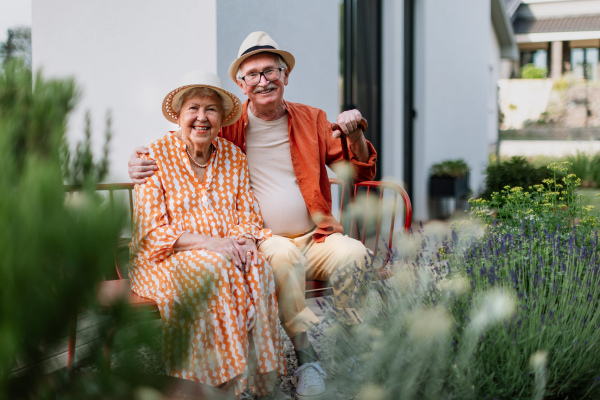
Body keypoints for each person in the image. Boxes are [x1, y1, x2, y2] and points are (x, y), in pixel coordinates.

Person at [129, 31, 377, 400]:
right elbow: (191, 128)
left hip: (317, 236)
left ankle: (357, 350)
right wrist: (138, 161)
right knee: (277, 256)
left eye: (270, 71)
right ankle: (304, 361)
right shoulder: (229, 127)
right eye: (252, 75)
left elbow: (359, 174)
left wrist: (355, 135)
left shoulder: (313, 120)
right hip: (267, 240)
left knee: (355, 254)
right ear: (241, 85)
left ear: (285, 75)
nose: (263, 81)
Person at [129, 70, 285, 398]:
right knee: (214, 269)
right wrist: (212, 244)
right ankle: (212, 385)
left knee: (256, 266)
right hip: (166, 258)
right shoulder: (154, 156)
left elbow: (248, 213)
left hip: (224, 250)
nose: (202, 117)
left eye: (211, 109)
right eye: (193, 108)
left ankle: (259, 382)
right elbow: (152, 232)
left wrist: (242, 243)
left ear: (220, 119)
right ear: (180, 115)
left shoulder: (233, 157)